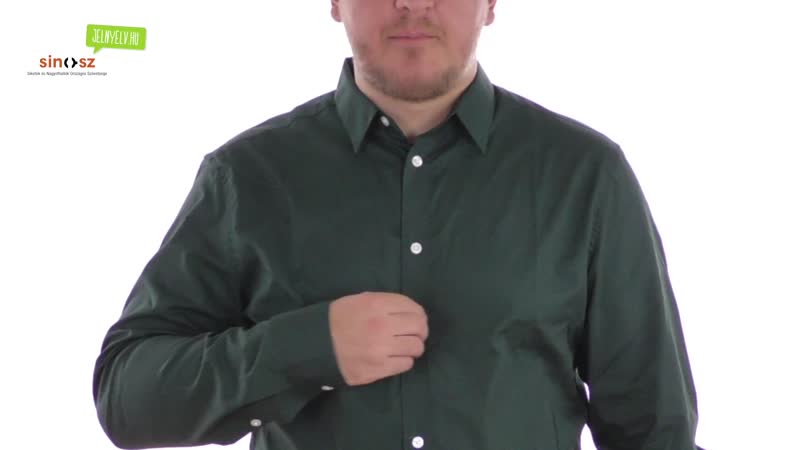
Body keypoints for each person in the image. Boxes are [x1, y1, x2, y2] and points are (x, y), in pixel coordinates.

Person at [93, 1, 704, 449]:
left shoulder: (586, 176)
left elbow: (654, 432)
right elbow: (127, 396)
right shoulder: (246, 178)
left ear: (492, 4)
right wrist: (307, 348)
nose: (413, 3)